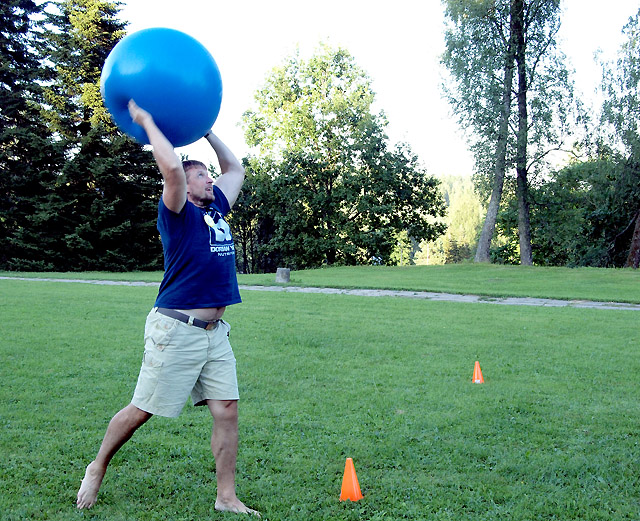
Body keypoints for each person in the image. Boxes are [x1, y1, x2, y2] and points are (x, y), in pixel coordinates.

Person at [76, 100, 259, 517]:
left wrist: (207, 129)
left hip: (215, 333)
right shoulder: (176, 213)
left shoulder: (216, 208)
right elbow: (173, 170)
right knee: (142, 410)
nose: (210, 179)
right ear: (186, 187)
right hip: (176, 328)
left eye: (208, 175)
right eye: (202, 176)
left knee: (227, 410)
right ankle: (97, 466)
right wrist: (145, 119)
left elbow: (235, 169)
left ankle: (226, 497)